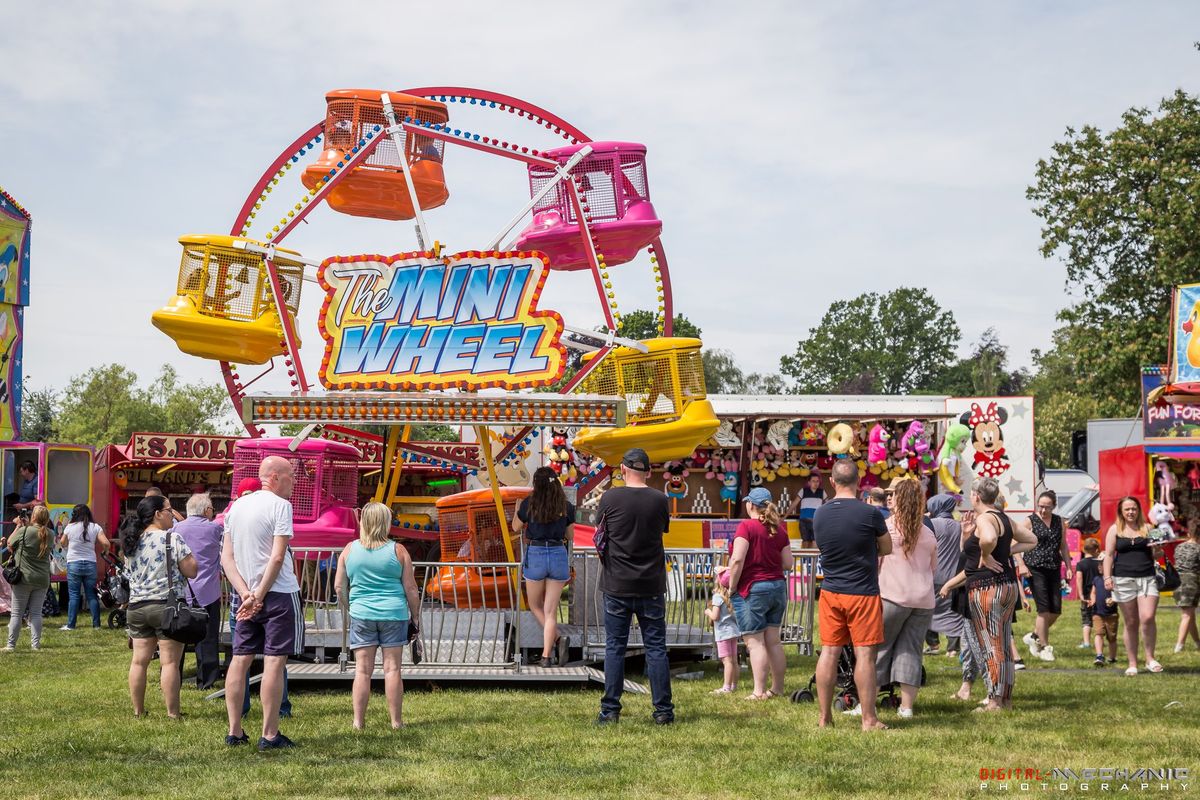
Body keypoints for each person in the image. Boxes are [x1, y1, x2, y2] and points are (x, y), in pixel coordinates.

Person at [221, 456, 303, 749]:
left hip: (244, 597)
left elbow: (226, 559)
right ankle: (269, 733)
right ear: (276, 476)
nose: (295, 482)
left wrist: (245, 593)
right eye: (292, 476)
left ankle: (235, 730)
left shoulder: (236, 507)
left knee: (240, 659)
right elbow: (278, 557)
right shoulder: (281, 506)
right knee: (273, 663)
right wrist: (259, 593)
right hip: (278, 594)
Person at [937, 478, 1036, 712]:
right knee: (1002, 643)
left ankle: (994, 701)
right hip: (1007, 585)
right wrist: (1006, 551)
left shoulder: (984, 517)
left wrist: (987, 552)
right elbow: (1031, 540)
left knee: (991, 646)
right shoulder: (1003, 517)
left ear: (977, 497)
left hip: (986, 589)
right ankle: (1006, 699)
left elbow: (989, 538)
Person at [596, 447, 673, 726]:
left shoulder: (610, 497)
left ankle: (610, 710)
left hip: (617, 583)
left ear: (623, 469)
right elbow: (663, 530)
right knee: (656, 648)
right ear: (649, 472)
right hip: (651, 583)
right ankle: (663, 711)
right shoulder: (660, 499)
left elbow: (600, 536)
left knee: (615, 647)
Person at [813, 460, 891, 731]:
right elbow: (887, 548)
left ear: (832, 482)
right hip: (863, 593)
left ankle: (825, 718)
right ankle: (868, 719)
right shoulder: (871, 514)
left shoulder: (819, 514)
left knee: (829, 653)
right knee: (865, 656)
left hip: (831, 592)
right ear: (859, 483)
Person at [334, 502, 420, 730]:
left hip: (362, 614)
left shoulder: (349, 550)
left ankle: (358, 722)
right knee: (392, 669)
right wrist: (416, 616)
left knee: (362, 670)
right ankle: (396, 722)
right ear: (386, 522)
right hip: (394, 613)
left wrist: (351, 607)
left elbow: (339, 587)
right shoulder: (398, 551)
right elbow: (411, 589)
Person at [123, 495, 198, 718]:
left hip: (137, 607)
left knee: (138, 661)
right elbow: (192, 570)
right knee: (170, 663)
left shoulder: (132, 542)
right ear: (157, 514)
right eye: (169, 510)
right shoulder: (171, 539)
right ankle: (173, 713)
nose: (172, 515)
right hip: (167, 606)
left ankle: (138, 711)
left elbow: (129, 575)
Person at [872, 479, 936, 719]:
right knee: (911, 651)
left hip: (892, 596)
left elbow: (876, 563)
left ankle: (866, 704)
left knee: (878, 650)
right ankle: (906, 707)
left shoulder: (887, 528)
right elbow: (933, 567)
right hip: (923, 600)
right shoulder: (928, 533)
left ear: (898, 500)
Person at [726, 486, 792, 700]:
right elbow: (788, 563)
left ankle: (759, 691)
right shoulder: (780, 530)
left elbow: (737, 559)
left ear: (750, 505)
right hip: (777, 587)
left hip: (752, 588)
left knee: (755, 643)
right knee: (773, 640)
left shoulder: (746, 527)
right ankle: (778, 688)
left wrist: (732, 586)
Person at [511, 466, 575, 667]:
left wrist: (516, 509)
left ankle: (557, 640)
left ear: (536, 484)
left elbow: (515, 527)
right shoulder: (566, 506)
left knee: (535, 605)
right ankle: (547, 656)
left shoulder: (529, 504)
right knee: (550, 611)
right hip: (558, 554)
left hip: (536, 553)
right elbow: (570, 536)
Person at [1102, 496, 1163, 675]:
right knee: (1130, 622)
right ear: (1121, 511)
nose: (1131, 512)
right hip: (1123, 580)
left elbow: (1157, 554)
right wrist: (1107, 577)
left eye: (1134, 508)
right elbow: (1108, 555)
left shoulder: (1150, 528)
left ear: (1139, 510)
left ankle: (1150, 659)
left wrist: (1158, 548)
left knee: (1148, 616)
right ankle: (1132, 662)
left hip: (1147, 578)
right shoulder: (1114, 529)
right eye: (1127, 509)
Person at [926, 494, 978, 701]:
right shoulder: (959, 525)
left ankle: (933, 644)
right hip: (956, 576)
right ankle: (953, 649)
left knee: (927, 613)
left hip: (933, 576)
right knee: (955, 615)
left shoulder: (930, 524)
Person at [173, 493, 224, 689]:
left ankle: (173, 677)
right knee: (208, 637)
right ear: (206, 510)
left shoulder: (176, 528)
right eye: (212, 509)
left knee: (177, 637)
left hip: (182, 589)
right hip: (208, 591)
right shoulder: (215, 529)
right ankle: (206, 681)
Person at [1020, 491, 1073, 662]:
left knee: (1056, 610)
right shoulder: (1030, 521)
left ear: (1054, 506)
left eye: (1047, 507)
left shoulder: (1059, 521)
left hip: (1054, 567)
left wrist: (1069, 565)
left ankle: (1034, 636)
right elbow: (1014, 543)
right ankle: (1044, 647)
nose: (1043, 510)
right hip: (1034, 568)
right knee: (1043, 609)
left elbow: (1063, 545)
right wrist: (1020, 564)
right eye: (1040, 506)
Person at [4, 505, 53, 651]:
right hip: (42, 579)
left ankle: (11, 645)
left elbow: (9, 544)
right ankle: (35, 645)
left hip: (24, 578)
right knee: (36, 613)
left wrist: (19, 526)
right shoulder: (50, 533)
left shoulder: (25, 531)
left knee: (17, 613)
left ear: (33, 517)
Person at [58, 503, 110, 631]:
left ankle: (71, 625)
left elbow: (63, 543)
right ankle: (96, 625)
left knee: (74, 595)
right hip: (90, 563)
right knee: (91, 595)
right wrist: (106, 551)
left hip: (74, 563)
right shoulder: (95, 527)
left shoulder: (70, 527)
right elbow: (106, 543)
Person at [704, 567, 740, 694]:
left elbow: (715, 616)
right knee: (734, 660)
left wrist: (708, 611)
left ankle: (726, 687)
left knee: (727, 661)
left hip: (723, 633)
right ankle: (734, 685)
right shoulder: (733, 596)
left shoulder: (717, 597)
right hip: (734, 632)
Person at [1173, 518, 1200, 653]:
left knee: (1189, 615)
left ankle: (1197, 642)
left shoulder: (1179, 547)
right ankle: (1179, 645)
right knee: (1187, 615)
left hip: (1177, 582)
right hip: (1191, 583)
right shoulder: (1198, 548)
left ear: (1189, 533)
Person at [1074, 538, 1104, 650]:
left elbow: (1079, 578)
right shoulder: (1100, 563)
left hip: (1086, 595)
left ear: (1083, 549)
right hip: (1100, 594)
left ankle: (1086, 643)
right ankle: (1100, 640)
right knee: (1099, 617)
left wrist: (1080, 595)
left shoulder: (1081, 564)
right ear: (1097, 549)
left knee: (1086, 619)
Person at [1089, 571, 1119, 667]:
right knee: (1098, 633)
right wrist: (1093, 600)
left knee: (1112, 637)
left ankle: (1112, 657)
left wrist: (1113, 600)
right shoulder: (1096, 579)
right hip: (1097, 613)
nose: (1100, 566)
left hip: (1112, 614)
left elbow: (1120, 593)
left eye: (1102, 564)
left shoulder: (1115, 579)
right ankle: (1099, 655)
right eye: (1099, 564)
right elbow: (1093, 592)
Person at [788, 473, 825, 548]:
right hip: (804, 521)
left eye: (817, 481)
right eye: (813, 481)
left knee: (815, 541)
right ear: (809, 483)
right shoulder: (803, 491)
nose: (815, 483)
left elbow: (828, 503)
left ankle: (813, 560)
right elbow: (794, 503)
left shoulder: (822, 492)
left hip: (816, 521)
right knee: (805, 541)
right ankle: (805, 560)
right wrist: (785, 515)